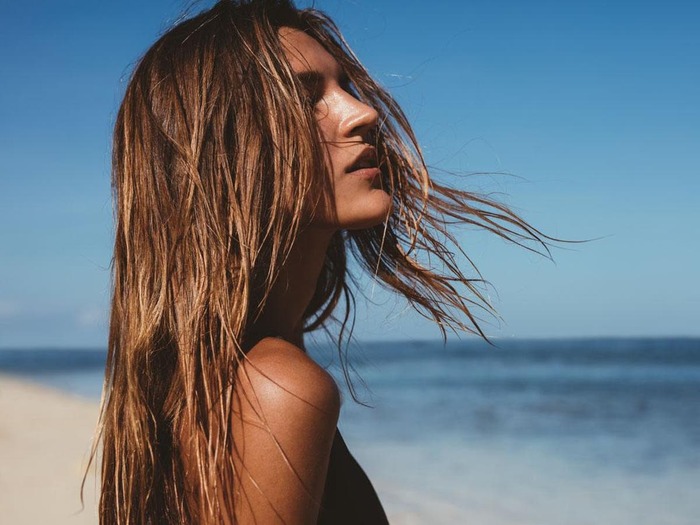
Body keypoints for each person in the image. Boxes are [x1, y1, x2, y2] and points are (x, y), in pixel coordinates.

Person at [87, 0, 549, 523]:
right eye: (307, 98)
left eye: (344, 87)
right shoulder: (277, 388)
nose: (363, 113)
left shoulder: (202, 381)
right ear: (224, 149)